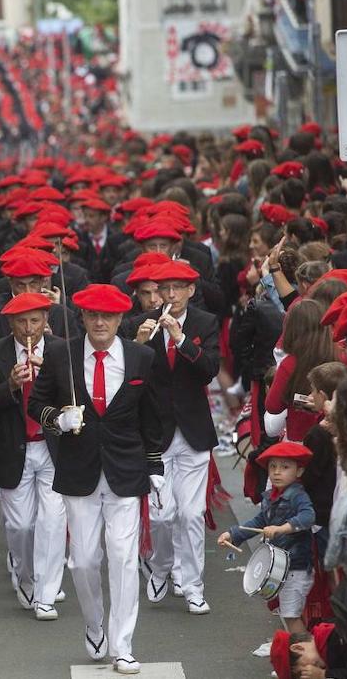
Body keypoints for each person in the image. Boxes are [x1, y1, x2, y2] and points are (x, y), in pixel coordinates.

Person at [28, 283, 163, 674]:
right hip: (78, 470)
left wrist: (155, 467)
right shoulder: (61, 354)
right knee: (84, 561)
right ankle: (93, 623)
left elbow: (152, 416)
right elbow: (36, 403)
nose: (100, 322)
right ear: (83, 318)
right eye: (93, 315)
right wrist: (57, 419)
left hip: (126, 470)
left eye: (107, 316)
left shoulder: (141, 357)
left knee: (123, 558)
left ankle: (123, 645)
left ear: (120, 319)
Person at [127, 260, 221, 615]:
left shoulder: (205, 323)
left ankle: (194, 586)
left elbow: (209, 370)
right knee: (162, 516)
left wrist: (180, 339)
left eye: (177, 288)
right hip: (155, 433)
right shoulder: (141, 324)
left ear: (191, 290)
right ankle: (161, 566)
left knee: (192, 514)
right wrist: (138, 344)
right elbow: (128, 377)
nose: (169, 295)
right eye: (164, 289)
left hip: (194, 430)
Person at [0, 291, 66, 620]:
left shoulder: (62, 350)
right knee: (21, 526)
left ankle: (47, 594)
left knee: (52, 523)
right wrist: (9, 385)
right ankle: (25, 577)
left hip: (53, 448)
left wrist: (51, 375)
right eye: (21, 322)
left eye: (35, 321)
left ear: (46, 320)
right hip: (14, 447)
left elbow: (76, 397)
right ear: (10, 323)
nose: (29, 329)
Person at [218, 441, 316, 634]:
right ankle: (298, 650)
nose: (277, 472)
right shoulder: (270, 496)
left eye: (285, 467)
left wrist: (281, 529)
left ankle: (305, 651)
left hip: (296, 566)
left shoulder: (298, 495)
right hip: (283, 566)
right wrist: (232, 534)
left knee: (291, 616)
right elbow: (259, 522)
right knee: (288, 614)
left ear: (299, 471)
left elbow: (308, 517)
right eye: (273, 467)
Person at [265, 300, 336, 441]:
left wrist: (295, 400)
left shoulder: (290, 363)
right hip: (331, 436)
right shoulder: (337, 356)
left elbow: (273, 406)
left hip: (299, 439)